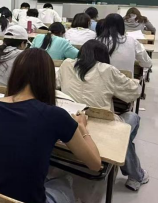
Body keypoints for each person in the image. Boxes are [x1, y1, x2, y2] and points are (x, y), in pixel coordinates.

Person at [0, 49, 101, 203]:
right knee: (66, 182)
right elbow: (95, 164)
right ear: (48, 79)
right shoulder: (56, 116)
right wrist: (82, 128)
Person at [58, 40, 148, 191]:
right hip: (101, 127)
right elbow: (134, 92)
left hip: (72, 119)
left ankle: (134, 172)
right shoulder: (107, 70)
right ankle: (135, 175)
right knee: (133, 119)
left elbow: (56, 83)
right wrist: (132, 81)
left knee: (125, 134)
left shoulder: (66, 64)